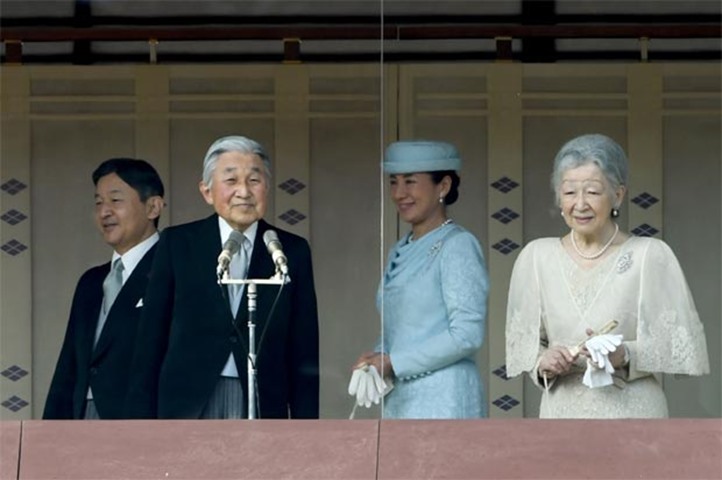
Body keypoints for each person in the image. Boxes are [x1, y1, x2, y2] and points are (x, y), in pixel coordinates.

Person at [505, 133, 710, 418]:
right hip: (561, 416)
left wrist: (624, 354)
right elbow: (525, 346)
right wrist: (543, 361)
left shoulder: (649, 255)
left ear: (618, 195)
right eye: (569, 193)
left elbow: (676, 345)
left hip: (633, 415)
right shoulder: (537, 257)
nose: (580, 204)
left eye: (592, 192)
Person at [125, 135, 319, 419]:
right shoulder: (178, 243)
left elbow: (303, 346)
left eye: (254, 180)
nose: (244, 191)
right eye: (231, 180)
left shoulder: (291, 250)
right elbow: (150, 339)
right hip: (186, 402)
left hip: (262, 399)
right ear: (207, 191)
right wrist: (140, 423)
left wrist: (306, 428)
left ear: (267, 188)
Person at [352, 140, 489, 419]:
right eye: (394, 182)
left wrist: (394, 362)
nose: (399, 193)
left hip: (446, 399)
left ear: (443, 186)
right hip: (402, 400)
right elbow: (401, 330)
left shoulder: (458, 245)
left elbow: (466, 335)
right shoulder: (399, 248)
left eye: (410, 181)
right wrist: (377, 358)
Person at [43, 158, 165, 419]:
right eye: (98, 203)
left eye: (115, 200)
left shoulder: (174, 271)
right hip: (83, 418)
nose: (104, 212)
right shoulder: (91, 282)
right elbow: (69, 367)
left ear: (153, 207)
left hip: (145, 421)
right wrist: (50, 431)